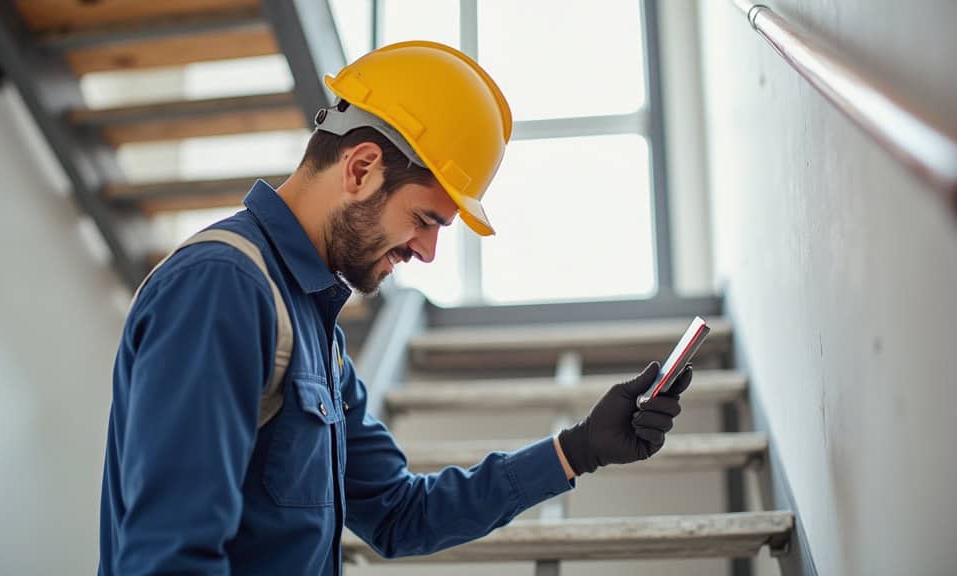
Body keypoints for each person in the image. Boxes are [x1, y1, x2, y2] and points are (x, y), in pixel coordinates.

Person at [97, 40, 692, 576]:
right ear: (360, 169)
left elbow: (401, 514)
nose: (428, 252)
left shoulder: (311, 327)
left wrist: (580, 449)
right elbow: (170, 557)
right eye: (425, 219)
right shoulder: (222, 289)